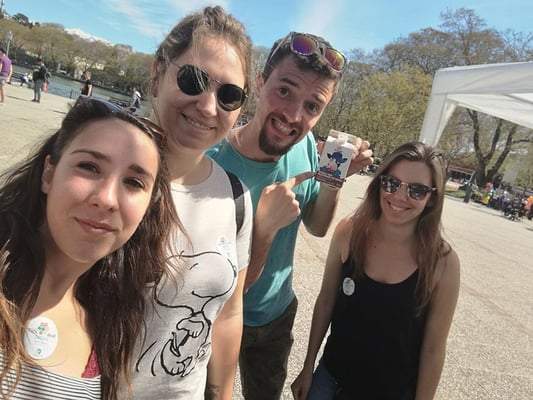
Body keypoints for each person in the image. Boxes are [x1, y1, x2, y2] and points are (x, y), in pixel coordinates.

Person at [208, 32, 373, 399]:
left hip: (276, 315)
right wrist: (262, 229)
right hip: (215, 321)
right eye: (284, 90)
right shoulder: (211, 163)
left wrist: (333, 182)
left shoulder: (305, 148)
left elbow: (316, 226)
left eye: (312, 106)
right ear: (259, 84)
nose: (294, 116)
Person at [0, 97, 179, 399]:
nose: (107, 199)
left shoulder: (108, 327)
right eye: (89, 167)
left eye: (134, 183)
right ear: (48, 174)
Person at [122, 6, 253, 400]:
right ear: (157, 72)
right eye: (193, 80)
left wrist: (223, 394)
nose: (208, 106)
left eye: (229, 95)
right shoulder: (103, 176)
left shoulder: (235, 196)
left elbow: (228, 313)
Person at [291, 141, 461, 400]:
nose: (400, 196)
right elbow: (326, 302)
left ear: (432, 199)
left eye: (416, 190)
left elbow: (433, 349)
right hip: (330, 382)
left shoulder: (443, 262)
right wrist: (307, 368)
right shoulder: (349, 232)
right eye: (392, 183)